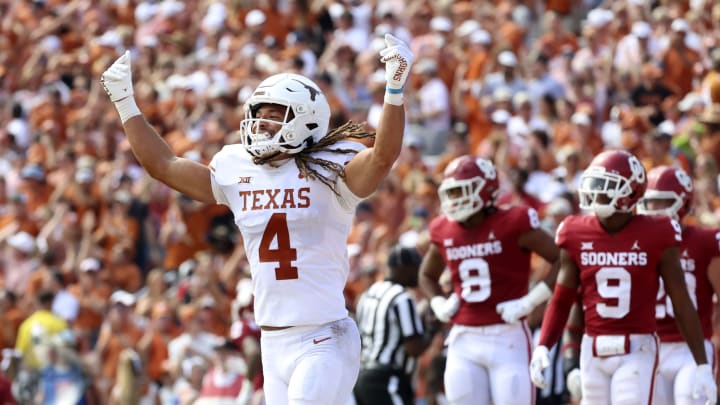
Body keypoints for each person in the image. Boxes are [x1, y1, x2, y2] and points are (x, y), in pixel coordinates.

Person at [100, 34, 415, 405]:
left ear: (307, 120)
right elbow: (164, 166)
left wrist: (394, 88)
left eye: (274, 115)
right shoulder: (237, 168)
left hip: (324, 337)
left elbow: (382, 157)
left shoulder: (332, 166)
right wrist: (125, 102)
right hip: (272, 340)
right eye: (259, 114)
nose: (261, 123)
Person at [529, 150, 717, 404]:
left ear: (630, 194)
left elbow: (682, 301)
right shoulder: (575, 231)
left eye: (605, 186)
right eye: (594, 185)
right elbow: (563, 299)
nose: (596, 193)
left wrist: (702, 364)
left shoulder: (657, 233)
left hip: (636, 348)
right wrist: (544, 344)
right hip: (592, 348)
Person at [418, 155, 560, 405]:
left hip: (508, 337)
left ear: (486, 190)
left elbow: (563, 261)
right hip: (464, 338)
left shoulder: (513, 223)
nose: (455, 199)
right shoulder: (443, 229)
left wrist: (530, 301)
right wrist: (437, 303)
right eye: (451, 192)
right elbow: (427, 274)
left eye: (463, 190)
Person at [637, 165, 720, 405]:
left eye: (661, 202)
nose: (653, 210)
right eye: (649, 202)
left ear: (683, 202)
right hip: (649, 347)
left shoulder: (705, 241)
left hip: (690, 348)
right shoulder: (636, 242)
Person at [354, 245, 438, 405]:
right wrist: (434, 329)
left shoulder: (368, 293)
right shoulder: (401, 297)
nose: (419, 274)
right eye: (416, 267)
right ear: (404, 267)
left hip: (362, 376)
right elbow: (414, 348)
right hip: (387, 379)